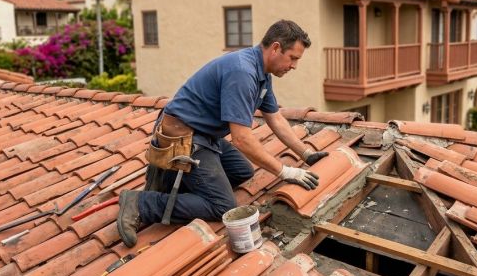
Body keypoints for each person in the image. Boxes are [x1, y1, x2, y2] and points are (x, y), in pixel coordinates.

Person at [117, 20, 328, 247]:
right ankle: (141, 203)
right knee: (223, 207)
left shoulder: (262, 73)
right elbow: (241, 138)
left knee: (243, 170)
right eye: (293, 58)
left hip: (206, 137)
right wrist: (285, 171)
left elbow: (274, 117)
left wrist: (306, 154)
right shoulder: (243, 72)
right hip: (184, 137)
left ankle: (177, 182)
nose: (294, 66)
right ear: (276, 48)